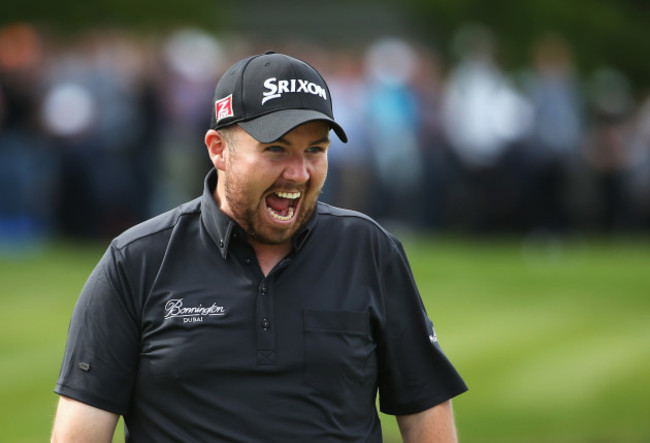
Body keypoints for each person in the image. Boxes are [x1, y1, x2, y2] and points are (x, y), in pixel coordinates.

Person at [51, 51, 468, 442]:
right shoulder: (137, 260)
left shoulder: (369, 251)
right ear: (219, 150)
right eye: (275, 150)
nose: (299, 173)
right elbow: (79, 431)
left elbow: (426, 413)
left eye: (315, 150)